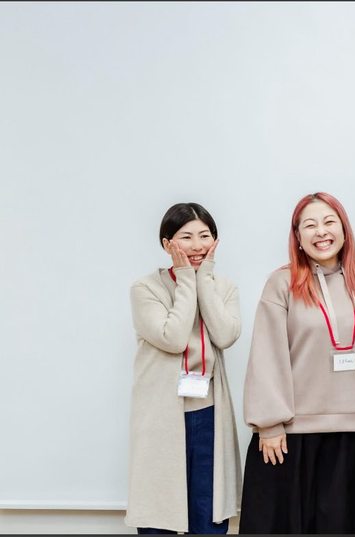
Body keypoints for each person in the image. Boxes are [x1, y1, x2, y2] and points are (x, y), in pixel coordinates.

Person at [239, 192, 355, 534]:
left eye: (330, 222)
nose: (321, 232)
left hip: (349, 432)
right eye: (310, 225)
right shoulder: (282, 283)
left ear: (344, 230)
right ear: (298, 236)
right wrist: (269, 424)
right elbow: (267, 354)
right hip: (290, 434)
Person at [125, 202, 242, 534]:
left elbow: (225, 335)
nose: (197, 245)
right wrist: (188, 278)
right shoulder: (146, 289)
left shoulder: (224, 287)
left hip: (209, 410)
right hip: (162, 413)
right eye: (186, 237)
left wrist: (204, 280)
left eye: (205, 236)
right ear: (167, 244)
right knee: (159, 511)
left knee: (208, 511)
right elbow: (174, 338)